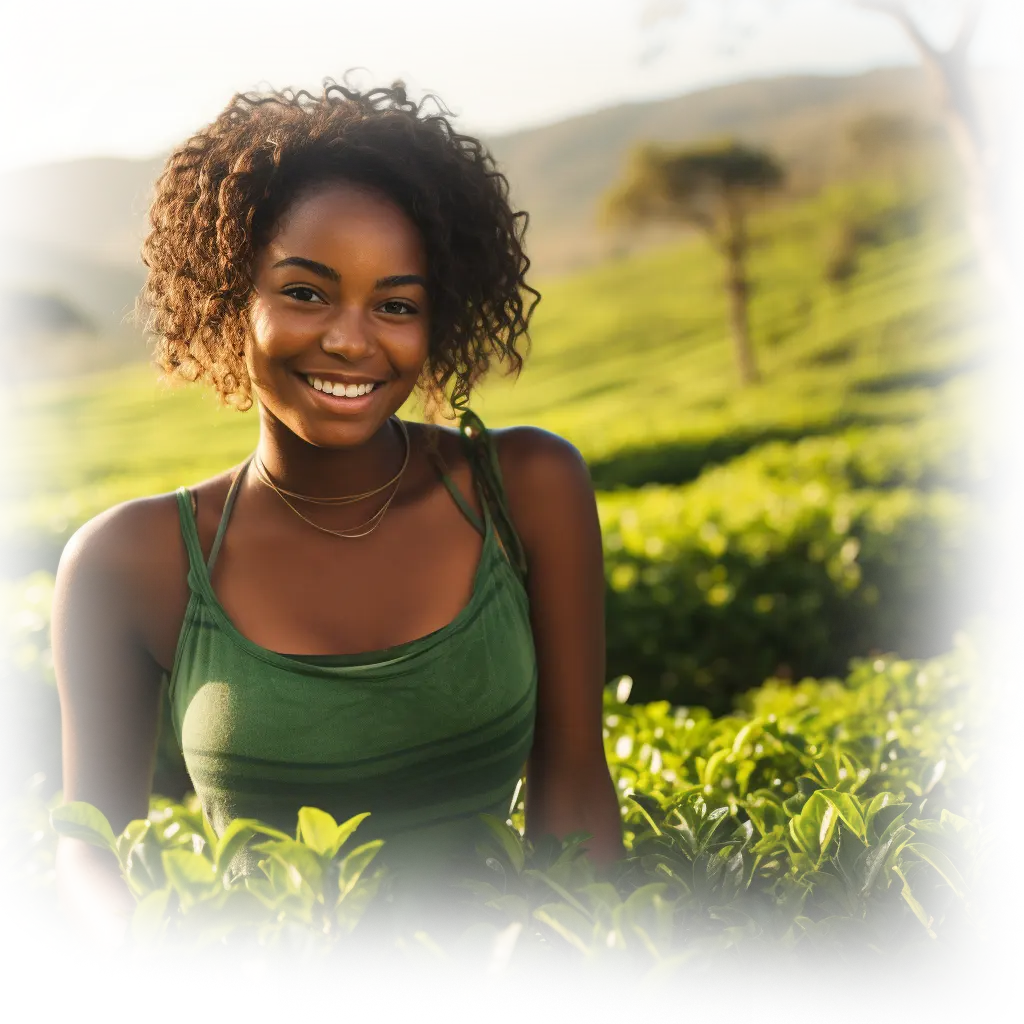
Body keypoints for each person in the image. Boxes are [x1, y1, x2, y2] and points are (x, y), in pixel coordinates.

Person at [52, 73, 624, 967]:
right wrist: (144, 954)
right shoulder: (132, 561)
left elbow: (576, 788)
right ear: (231, 291)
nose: (353, 341)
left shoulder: (530, 488)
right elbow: (89, 842)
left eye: (396, 304)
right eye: (307, 293)